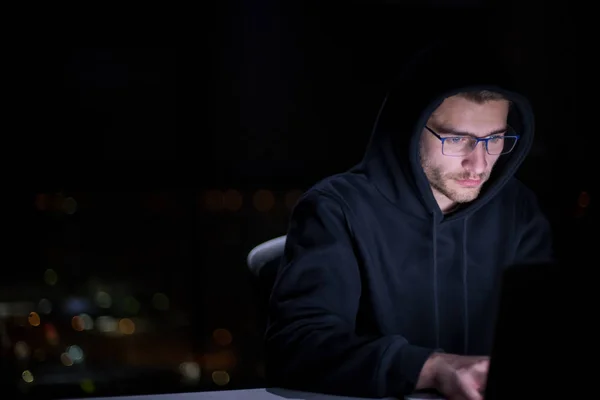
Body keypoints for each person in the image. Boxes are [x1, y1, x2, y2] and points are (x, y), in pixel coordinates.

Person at [264, 40, 553, 400]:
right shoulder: (336, 208)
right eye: (456, 139)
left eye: (494, 140)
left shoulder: (519, 209)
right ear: (410, 129)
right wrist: (432, 368)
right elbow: (295, 348)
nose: (479, 164)